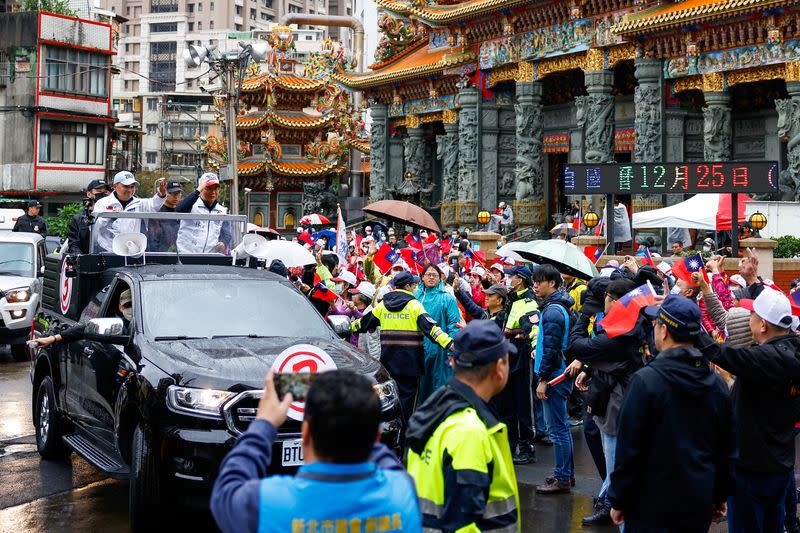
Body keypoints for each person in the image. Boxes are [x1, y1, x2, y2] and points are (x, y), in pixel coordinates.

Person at [210, 370, 421, 533]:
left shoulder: (267, 503)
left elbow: (226, 489)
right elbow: (387, 461)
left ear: (306, 432)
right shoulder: (403, 491)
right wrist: (355, 417)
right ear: (375, 437)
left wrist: (264, 423)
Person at [609, 295, 734, 532]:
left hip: (650, 503)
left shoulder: (645, 381)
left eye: (655, 324)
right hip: (697, 499)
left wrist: (619, 499)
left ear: (664, 330)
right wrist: (719, 494)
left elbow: (629, 449)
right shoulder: (716, 384)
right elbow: (725, 448)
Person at [696, 288, 800, 533]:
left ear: (763, 325)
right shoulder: (792, 352)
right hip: (779, 462)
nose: (749, 318)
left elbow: (720, 353)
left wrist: (688, 327)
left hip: (752, 468)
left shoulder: (766, 357)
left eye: (752, 314)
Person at [407, 320, 520, 532]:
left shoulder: (436, 409)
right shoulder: (469, 431)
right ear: (499, 367)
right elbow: (463, 524)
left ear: (453, 362)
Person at [565, 278, 645, 525]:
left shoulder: (620, 333)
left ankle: (612, 505)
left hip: (615, 410)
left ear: (612, 300)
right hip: (613, 403)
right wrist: (588, 368)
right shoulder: (635, 322)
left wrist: (585, 314)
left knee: (615, 469)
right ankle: (609, 501)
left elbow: (576, 345)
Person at [350, 271, 454, 428]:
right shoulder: (414, 306)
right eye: (414, 284)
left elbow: (362, 323)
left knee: (390, 402)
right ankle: (404, 438)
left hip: (387, 365)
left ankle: (389, 431)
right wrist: (450, 343)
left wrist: (345, 327)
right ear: (407, 286)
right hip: (410, 367)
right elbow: (431, 329)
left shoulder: (382, 306)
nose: (415, 286)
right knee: (407, 405)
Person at [532, 264, 576, 494]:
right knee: (562, 427)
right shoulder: (557, 307)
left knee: (557, 428)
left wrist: (543, 379)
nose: (535, 285)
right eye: (534, 280)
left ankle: (562, 478)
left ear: (553, 283)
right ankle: (566, 473)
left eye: (541, 280)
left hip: (554, 378)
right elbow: (551, 343)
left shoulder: (552, 310)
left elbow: (551, 349)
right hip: (559, 373)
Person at [498, 265, 539, 465]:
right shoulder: (511, 300)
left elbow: (533, 330)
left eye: (511, 276)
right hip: (507, 357)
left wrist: (532, 347)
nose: (508, 279)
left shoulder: (529, 302)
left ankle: (526, 447)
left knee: (524, 404)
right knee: (507, 404)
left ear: (520, 279)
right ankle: (510, 443)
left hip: (522, 357)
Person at [414, 264, 461, 403]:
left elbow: (454, 325)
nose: (431, 278)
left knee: (439, 389)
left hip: (441, 351)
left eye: (434, 275)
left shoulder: (448, 298)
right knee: (420, 389)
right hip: (418, 350)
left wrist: (452, 351)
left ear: (440, 278)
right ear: (422, 277)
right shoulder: (415, 297)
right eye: (428, 274)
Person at [93, 171, 168, 253]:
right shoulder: (102, 203)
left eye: (132, 187)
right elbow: (94, 227)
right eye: (125, 186)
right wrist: (109, 217)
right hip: (107, 250)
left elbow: (154, 205)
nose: (129, 190)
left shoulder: (140, 203)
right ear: (115, 186)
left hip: (131, 251)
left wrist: (161, 195)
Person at [33, 288, 134, 347]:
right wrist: (53, 338)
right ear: (120, 307)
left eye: (134, 305)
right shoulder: (117, 324)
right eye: (128, 305)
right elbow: (84, 329)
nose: (131, 309)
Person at [176, 172, 230, 254]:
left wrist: (223, 243)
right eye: (209, 188)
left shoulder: (222, 210)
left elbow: (227, 234)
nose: (212, 192)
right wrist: (197, 191)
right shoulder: (191, 205)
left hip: (209, 258)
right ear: (201, 189)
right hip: (186, 256)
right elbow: (178, 210)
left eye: (215, 189)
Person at [147, 179, 183, 252]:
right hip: (163, 256)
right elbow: (153, 240)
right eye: (171, 193)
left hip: (181, 254)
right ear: (165, 192)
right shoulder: (157, 212)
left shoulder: (182, 211)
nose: (176, 196)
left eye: (178, 193)